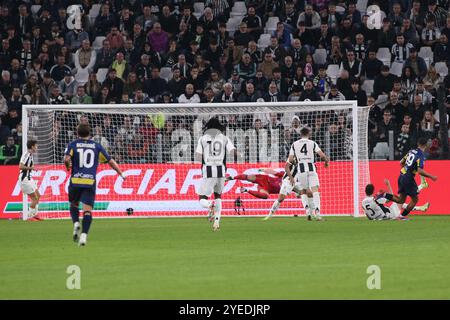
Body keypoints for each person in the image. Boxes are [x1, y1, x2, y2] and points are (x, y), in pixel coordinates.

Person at [64, 124, 125, 246]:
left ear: (77, 133)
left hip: (75, 181)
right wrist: (120, 173)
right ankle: (84, 235)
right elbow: (110, 161)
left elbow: (66, 159)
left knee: (74, 204)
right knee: (87, 211)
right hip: (89, 182)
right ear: (90, 133)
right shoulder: (96, 146)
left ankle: (76, 223)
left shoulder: (73, 144)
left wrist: (68, 167)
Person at [195, 118, 238, 231]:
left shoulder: (202, 139)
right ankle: (217, 222)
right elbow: (233, 152)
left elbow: (198, 156)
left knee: (201, 198)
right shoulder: (224, 138)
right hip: (221, 171)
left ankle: (209, 205)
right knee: (218, 196)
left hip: (208, 171)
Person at [284, 127, 330, 221]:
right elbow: (322, 156)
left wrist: (297, 161)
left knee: (303, 191)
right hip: (311, 168)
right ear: (309, 134)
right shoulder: (312, 143)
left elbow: (291, 159)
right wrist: (326, 162)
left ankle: (307, 211)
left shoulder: (294, 144)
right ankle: (317, 213)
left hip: (301, 170)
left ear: (300, 134)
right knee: (315, 190)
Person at [385, 137, 437, 218]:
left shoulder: (411, 151)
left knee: (401, 200)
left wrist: (405, 170)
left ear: (418, 144)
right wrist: (431, 176)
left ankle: (384, 195)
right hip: (408, 178)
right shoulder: (421, 155)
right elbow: (420, 171)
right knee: (415, 199)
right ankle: (402, 216)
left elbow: (401, 162)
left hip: (401, 175)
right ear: (426, 145)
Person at [362, 180, 429, 221]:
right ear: (373, 191)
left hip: (380, 217)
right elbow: (391, 197)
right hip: (391, 215)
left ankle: (420, 208)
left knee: (399, 201)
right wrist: (388, 185)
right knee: (400, 199)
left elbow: (368, 215)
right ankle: (421, 186)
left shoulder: (363, 202)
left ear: (365, 191)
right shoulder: (375, 199)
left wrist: (374, 218)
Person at [19, 140, 41, 221]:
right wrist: (31, 168)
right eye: (36, 146)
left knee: (38, 196)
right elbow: (20, 166)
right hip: (24, 179)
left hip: (29, 178)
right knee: (34, 198)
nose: (37, 147)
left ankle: (35, 215)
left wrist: (32, 169)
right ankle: (29, 216)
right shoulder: (26, 154)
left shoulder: (31, 155)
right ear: (32, 146)